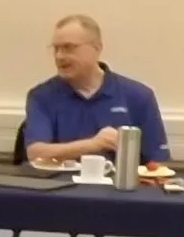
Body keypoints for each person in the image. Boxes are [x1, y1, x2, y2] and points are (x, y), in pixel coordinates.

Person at [23, 14, 171, 164]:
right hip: (61, 185)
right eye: (56, 49)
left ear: (97, 48)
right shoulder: (42, 96)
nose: (60, 56)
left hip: (120, 185)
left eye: (68, 47)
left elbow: (158, 162)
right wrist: (94, 144)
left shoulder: (138, 96)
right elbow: (36, 154)